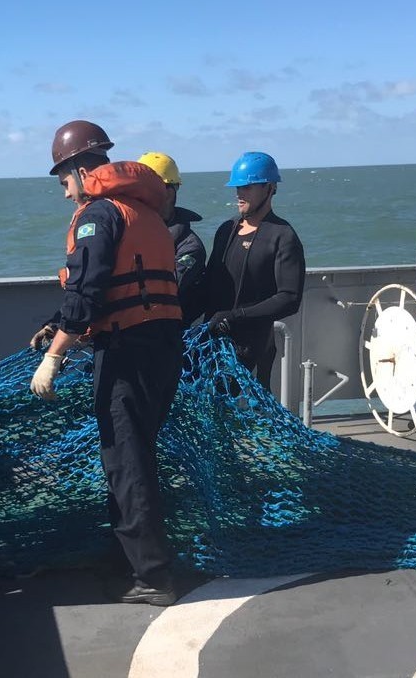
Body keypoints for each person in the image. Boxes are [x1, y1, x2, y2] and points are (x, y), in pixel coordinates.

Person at [29, 120, 184, 606]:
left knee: (126, 461)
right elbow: (113, 283)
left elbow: (89, 289)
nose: (63, 192)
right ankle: (130, 558)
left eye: (62, 180)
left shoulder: (98, 214)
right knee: (134, 456)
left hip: (127, 353)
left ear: (78, 168)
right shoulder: (145, 212)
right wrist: (60, 322)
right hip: (161, 347)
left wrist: (53, 357)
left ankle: (153, 577)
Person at [201, 151, 306, 390]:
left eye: (247, 187)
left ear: (269, 188)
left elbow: (289, 298)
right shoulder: (226, 230)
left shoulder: (282, 236)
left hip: (254, 350)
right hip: (215, 346)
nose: (239, 193)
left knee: (249, 419)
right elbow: (209, 285)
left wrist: (236, 316)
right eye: (237, 187)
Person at [137, 151, 207, 326]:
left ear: (168, 194)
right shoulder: (132, 234)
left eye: (144, 191)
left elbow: (167, 288)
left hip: (168, 337)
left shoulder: (190, 246)